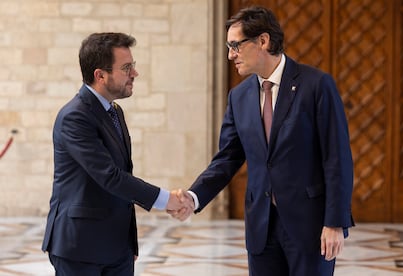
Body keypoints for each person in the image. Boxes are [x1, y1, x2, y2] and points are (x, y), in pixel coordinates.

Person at [170, 6, 354, 276]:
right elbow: (227, 159)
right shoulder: (239, 96)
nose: (230, 54)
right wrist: (194, 197)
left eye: (235, 45)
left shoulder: (316, 85)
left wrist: (335, 223)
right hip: (261, 227)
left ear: (263, 41)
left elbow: (337, 158)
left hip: (310, 227)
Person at [41, 32, 193, 275]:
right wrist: (168, 200)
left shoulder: (115, 111)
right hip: (80, 247)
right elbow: (110, 176)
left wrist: (128, 242)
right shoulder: (74, 116)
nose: (135, 73)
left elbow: (123, 175)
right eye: (126, 68)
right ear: (100, 75)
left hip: (117, 247)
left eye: (132, 66)